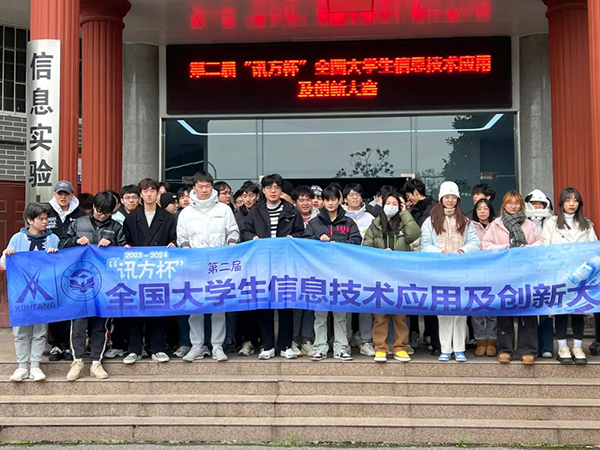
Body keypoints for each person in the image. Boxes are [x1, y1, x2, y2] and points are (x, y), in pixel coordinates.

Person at [60, 191, 127, 381]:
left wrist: (113, 244)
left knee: (100, 324)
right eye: (99, 211)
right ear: (93, 208)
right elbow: (62, 244)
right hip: (80, 282)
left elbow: (125, 252)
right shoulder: (78, 223)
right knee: (78, 324)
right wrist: (75, 241)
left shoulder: (116, 227)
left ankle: (96, 361)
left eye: (107, 213)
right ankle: (77, 361)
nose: (102, 215)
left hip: (105, 283)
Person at [177, 171, 239, 362]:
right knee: (195, 306)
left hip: (218, 264)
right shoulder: (186, 213)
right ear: (194, 188)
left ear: (212, 187)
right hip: (195, 266)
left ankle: (217, 346)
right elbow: (182, 238)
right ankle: (197, 345)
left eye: (207, 186)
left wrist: (231, 245)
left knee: (219, 306)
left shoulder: (224, 210)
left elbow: (233, 232)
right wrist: (187, 250)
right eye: (200, 187)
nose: (204, 190)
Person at [242, 174, 304, 360]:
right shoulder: (256, 211)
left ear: (281, 190)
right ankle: (267, 345)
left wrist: (293, 238)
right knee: (265, 304)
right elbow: (245, 231)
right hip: (262, 264)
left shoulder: (291, 210)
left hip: (285, 264)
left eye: (277, 187)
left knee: (285, 305)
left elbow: (301, 232)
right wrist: (252, 238)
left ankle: (285, 345)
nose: (273, 191)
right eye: (269, 187)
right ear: (263, 190)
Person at [482, 190, 544, 365]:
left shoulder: (529, 224)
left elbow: (541, 242)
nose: (513, 206)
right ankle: (505, 349)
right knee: (505, 311)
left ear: (521, 206)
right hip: (503, 273)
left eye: (516, 203)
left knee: (527, 311)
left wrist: (527, 247)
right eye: (509, 203)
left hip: (526, 273)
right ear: (504, 205)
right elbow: (485, 245)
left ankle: (528, 350)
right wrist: (505, 247)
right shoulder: (496, 224)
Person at [421, 181, 480, 362]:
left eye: (453, 197)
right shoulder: (431, 221)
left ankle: (460, 348)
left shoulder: (466, 221)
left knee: (460, 310)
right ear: (441, 199)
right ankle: (445, 348)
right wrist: (440, 252)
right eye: (446, 197)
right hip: (439, 271)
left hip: (461, 270)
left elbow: (475, 242)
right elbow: (424, 245)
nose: (450, 200)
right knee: (443, 310)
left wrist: (463, 250)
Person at [2, 203, 59, 382]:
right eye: (41, 219)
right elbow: (3, 264)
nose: (45, 222)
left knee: (40, 331)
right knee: (20, 330)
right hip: (22, 293)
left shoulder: (53, 239)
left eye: (46, 219)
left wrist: (55, 255)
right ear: (30, 220)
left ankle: (35, 365)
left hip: (44, 292)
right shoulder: (17, 238)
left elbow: (60, 265)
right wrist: (8, 254)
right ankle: (22, 366)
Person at [123, 179, 178, 365]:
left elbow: (173, 239)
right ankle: (135, 349)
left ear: (157, 194)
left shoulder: (168, 218)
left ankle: (158, 348)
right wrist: (126, 247)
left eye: (152, 191)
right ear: (141, 194)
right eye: (145, 191)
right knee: (135, 309)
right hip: (137, 270)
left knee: (157, 308)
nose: (149, 194)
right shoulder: (131, 218)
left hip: (159, 270)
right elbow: (125, 240)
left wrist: (173, 244)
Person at [304, 185, 361, 361]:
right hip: (319, 275)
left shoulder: (348, 222)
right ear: (322, 201)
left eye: (333, 199)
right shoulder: (314, 223)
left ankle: (341, 347)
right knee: (320, 315)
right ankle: (320, 347)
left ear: (340, 200)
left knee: (340, 314)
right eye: (327, 200)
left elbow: (356, 241)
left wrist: (335, 241)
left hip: (341, 274)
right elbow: (305, 243)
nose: (330, 203)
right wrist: (317, 239)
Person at [363, 191, 420, 363]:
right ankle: (380, 348)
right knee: (380, 315)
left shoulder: (403, 223)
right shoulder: (375, 225)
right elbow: (366, 246)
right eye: (388, 203)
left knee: (400, 315)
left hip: (400, 275)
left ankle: (400, 347)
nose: (391, 206)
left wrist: (404, 212)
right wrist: (381, 253)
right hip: (380, 275)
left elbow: (414, 234)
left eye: (395, 204)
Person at [543, 187, 597, 364]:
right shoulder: (551, 223)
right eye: (568, 200)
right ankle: (563, 347)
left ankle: (578, 347)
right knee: (561, 310)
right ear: (561, 203)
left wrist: (585, 269)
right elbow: (545, 247)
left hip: (581, 276)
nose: (572, 204)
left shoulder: (586, 224)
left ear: (579, 203)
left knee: (578, 310)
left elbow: (593, 249)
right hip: (559, 275)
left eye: (575, 200)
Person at [46, 180, 86, 362]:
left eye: (66, 194)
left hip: (73, 265)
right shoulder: (46, 211)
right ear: (54, 194)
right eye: (60, 193)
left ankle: (70, 344)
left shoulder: (80, 214)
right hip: (51, 265)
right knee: (54, 303)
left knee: (71, 304)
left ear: (72, 195)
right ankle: (55, 344)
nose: (63, 197)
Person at [404, 178, 439, 355]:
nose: (409, 199)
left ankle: (432, 336)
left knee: (430, 298)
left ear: (416, 192)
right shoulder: (413, 209)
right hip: (414, 259)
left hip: (430, 259)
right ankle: (414, 333)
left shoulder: (435, 208)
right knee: (413, 296)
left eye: (409, 195)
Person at [343, 183, 377, 357]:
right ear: (345, 198)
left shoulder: (370, 218)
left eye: (357, 194)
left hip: (366, 267)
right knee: (346, 303)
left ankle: (365, 340)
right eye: (351, 195)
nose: (354, 198)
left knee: (366, 302)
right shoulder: (340, 217)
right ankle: (346, 341)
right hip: (345, 267)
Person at [524, 189, 555, 359]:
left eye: (540, 204)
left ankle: (547, 346)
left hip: (548, 271)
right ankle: (532, 347)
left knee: (546, 311)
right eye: (534, 203)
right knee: (530, 311)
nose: (537, 206)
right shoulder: (522, 221)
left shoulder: (553, 222)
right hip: (527, 270)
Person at [234, 181, 262, 356]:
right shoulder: (235, 215)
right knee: (244, 305)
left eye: (251, 195)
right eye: (245, 195)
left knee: (261, 304)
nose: (248, 199)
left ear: (257, 196)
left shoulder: (261, 212)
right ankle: (247, 340)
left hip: (261, 265)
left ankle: (261, 339)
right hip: (242, 265)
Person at [290, 185, 318, 356]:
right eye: (301, 200)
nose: (305, 203)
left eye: (308, 199)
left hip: (313, 267)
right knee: (295, 305)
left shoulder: (319, 218)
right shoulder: (289, 217)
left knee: (309, 304)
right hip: (293, 267)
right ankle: (293, 339)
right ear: (295, 202)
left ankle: (307, 339)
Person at [471, 198, 498, 357]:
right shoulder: (469, 226)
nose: (482, 211)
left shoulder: (497, 225)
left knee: (492, 307)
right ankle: (480, 341)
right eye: (479, 208)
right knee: (477, 308)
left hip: (494, 271)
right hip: (475, 271)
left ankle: (492, 341)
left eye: (485, 208)